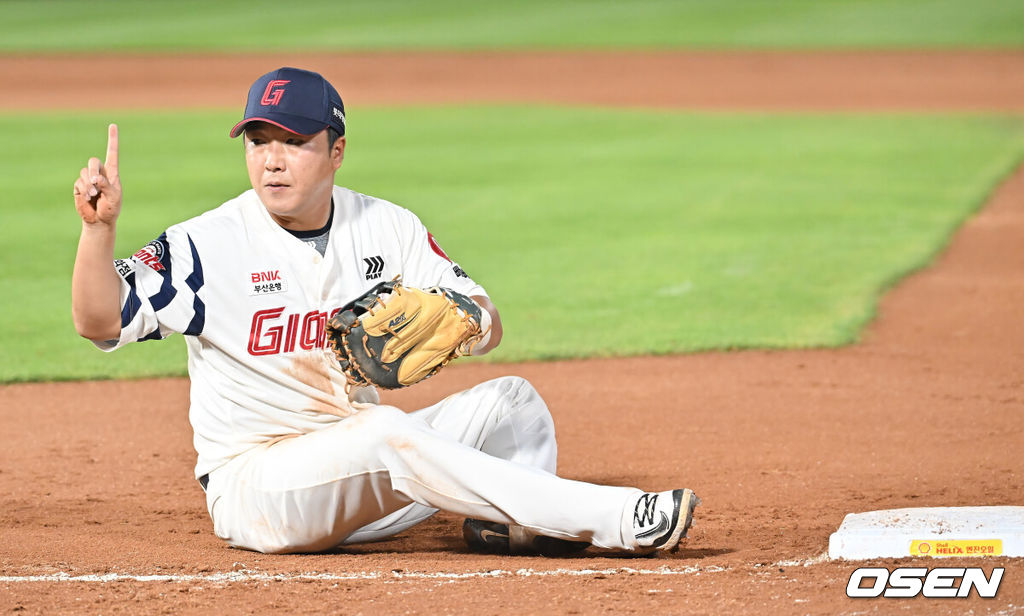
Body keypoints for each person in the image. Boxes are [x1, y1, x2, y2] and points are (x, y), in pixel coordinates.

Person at [71, 67, 699, 555]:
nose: (272, 159)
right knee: (384, 430)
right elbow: (99, 322)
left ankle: (511, 526)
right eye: (259, 141)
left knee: (512, 400)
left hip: (370, 482)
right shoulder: (203, 243)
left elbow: (485, 315)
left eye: (293, 141)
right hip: (261, 491)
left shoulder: (387, 225)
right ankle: (612, 518)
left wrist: (463, 321)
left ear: (337, 151)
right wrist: (99, 234)